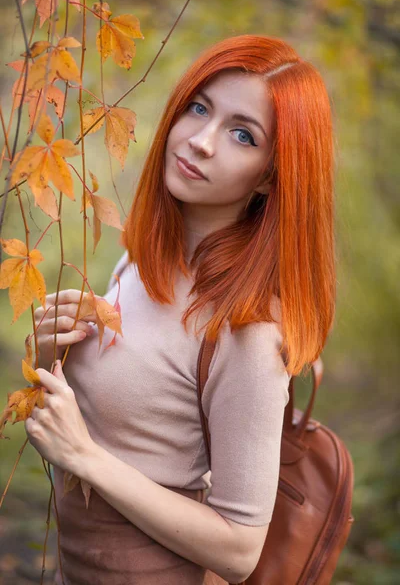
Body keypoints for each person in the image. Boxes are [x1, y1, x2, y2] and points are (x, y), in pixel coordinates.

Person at [28, 34, 335, 585]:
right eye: (199, 108)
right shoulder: (139, 261)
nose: (200, 141)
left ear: (271, 174)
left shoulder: (245, 331)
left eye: (242, 134)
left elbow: (240, 551)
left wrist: (84, 456)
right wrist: (51, 353)